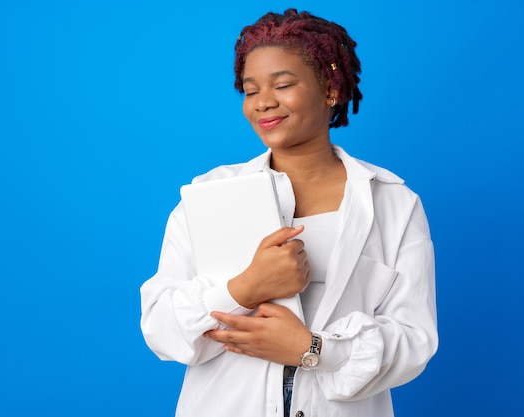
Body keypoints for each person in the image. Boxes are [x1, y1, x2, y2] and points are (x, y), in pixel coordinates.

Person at [140, 8, 437, 417]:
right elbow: (161, 328)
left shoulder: (394, 204)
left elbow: (414, 340)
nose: (263, 103)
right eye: (250, 90)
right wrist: (244, 287)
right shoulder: (207, 196)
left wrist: (311, 349)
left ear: (330, 88)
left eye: (283, 84)